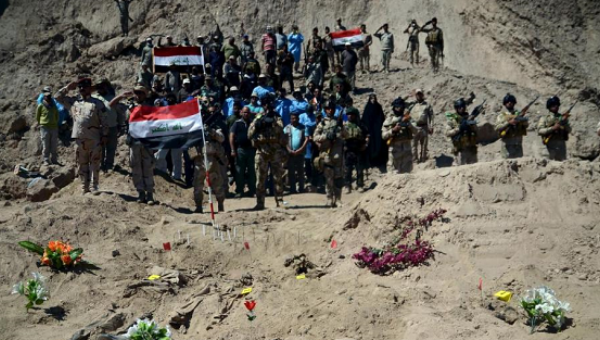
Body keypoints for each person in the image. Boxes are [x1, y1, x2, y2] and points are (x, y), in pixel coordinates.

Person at [55, 77, 109, 194]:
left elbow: (104, 121)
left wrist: (105, 135)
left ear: (90, 88)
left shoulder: (98, 103)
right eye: (80, 87)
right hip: (79, 139)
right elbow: (57, 97)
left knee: (95, 163)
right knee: (81, 164)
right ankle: (85, 187)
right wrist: (68, 87)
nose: (81, 89)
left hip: (94, 139)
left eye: (84, 87)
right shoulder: (73, 102)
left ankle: (95, 187)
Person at [109, 86, 156, 204]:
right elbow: (111, 105)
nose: (139, 95)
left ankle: (149, 194)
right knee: (136, 167)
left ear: (145, 94)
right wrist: (122, 96)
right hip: (134, 141)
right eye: (137, 93)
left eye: (141, 93)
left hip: (147, 141)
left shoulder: (150, 106)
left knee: (148, 167)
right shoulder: (129, 106)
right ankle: (141, 192)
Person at [248, 95, 287, 210]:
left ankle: (279, 201)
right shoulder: (259, 117)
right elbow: (249, 134)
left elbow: (281, 130)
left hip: (275, 151)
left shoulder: (276, 117)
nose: (267, 106)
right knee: (260, 179)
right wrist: (258, 124)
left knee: (277, 177)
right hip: (261, 151)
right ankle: (260, 203)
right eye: (265, 104)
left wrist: (272, 123)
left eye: (269, 104)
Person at [191, 104, 227, 213]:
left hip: (211, 158)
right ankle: (198, 206)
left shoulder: (213, 125)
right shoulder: (194, 127)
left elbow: (221, 138)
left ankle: (220, 203)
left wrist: (211, 131)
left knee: (216, 182)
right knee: (198, 183)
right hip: (199, 158)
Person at [314, 100, 347, 207]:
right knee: (328, 178)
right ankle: (329, 199)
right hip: (326, 154)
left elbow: (346, 136)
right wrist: (325, 137)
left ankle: (338, 199)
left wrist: (342, 127)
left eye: (331, 108)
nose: (330, 110)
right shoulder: (322, 123)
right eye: (328, 108)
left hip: (337, 154)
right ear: (325, 110)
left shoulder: (338, 122)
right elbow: (315, 137)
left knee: (338, 178)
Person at [382, 98, 417, 173]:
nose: (398, 109)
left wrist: (409, 125)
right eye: (397, 107)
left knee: (407, 174)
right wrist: (393, 130)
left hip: (406, 152)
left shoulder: (408, 118)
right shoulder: (389, 119)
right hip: (394, 152)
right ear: (394, 108)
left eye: (400, 107)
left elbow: (416, 131)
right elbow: (383, 135)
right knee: (393, 174)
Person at [93, 80, 120, 172]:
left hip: (112, 126)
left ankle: (109, 165)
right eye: (99, 86)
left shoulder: (112, 97)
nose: (101, 88)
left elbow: (118, 112)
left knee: (111, 147)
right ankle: (100, 166)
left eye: (103, 86)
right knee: (100, 148)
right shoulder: (94, 98)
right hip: (99, 127)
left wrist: (119, 123)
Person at [230, 106, 256, 198]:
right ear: (241, 113)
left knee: (252, 171)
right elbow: (232, 137)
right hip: (240, 150)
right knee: (239, 171)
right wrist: (233, 150)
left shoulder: (252, 123)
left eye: (247, 112)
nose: (246, 114)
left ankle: (252, 190)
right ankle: (239, 190)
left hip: (251, 149)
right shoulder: (237, 123)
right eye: (244, 112)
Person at [495, 93, 530, 159]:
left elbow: (526, 125)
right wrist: (508, 123)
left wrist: (521, 119)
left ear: (514, 103)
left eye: (511, 101)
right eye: (507, 101)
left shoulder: (518, 114)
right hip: (507, 147)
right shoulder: (501, 116)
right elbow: (497, 127)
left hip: (518, 146)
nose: (509, 102)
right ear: (505, 103)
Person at [537, 96, 572, 161]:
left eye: (557, 105)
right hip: (549, 145)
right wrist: (553, 128)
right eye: (553, 105)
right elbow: (540, 131)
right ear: (549, 106)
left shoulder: (562, 117)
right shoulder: (544, 118)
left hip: (561, 145)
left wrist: (565, 123)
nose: (556, 106)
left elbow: (569, 130)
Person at [445, 98, 479, 165]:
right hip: (460, 151)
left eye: (463, 107)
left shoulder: (468, 117)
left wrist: (471, 125)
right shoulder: (453, 119)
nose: (461, 109)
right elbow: (447, 133)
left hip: (471, 149)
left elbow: (476, 130)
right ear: (456, 108)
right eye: (459, 107)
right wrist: (459, 128)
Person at [344, 107, 369, 193]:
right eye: (348, 114)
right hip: (348, 150)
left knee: (359, 168)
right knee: (348, 169)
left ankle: (360, 185)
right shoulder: (345, 125)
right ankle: (347, 186)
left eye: (352, 114)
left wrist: (365, 144)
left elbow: (367, 135)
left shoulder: (360, 125)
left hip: (358, 149)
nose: (350, 116)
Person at [285, 112, 309, 193]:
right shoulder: (287, 128)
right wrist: (288, 149)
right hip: (290, 153)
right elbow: (283, 139)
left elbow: (306, 139)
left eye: (295, 118)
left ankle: (301, 188)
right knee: (291, 172)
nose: (294, 120)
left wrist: (300, 149)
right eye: (292, 118)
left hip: (300, 153)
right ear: (290, 119)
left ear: (298, 119)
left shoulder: (303, 127)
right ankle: (292, 189)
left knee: (300, 171)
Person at [408, 89, 434, 163]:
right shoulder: (412, 105)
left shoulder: (427, 105)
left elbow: (431, 116)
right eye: (417, 94)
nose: (419, 95)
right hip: (414, 127)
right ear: (415, 95)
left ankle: (423, 161)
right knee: (413, 145)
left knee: (424, 146)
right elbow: (406, 113)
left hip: (424, 127)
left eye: (420, 94)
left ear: (422, 95)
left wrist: (431, 126)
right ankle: (415, 162)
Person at [361, 94, 387, 169]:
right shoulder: (367, 107)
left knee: (379, 144)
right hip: (370, 130)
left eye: (374, 98)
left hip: (378, 129)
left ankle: (379, 162)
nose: (373, 100)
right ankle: (371, 162)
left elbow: (381, 118)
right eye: (371, 98)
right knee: (370, 145)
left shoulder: (378, 107)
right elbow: (365, 119)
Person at [36, 87, 60, 165]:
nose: (48, 97)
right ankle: (46, 159)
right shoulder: (41, 105)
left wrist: (54, 123)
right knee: (46, 145)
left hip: (53, 127)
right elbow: (38, 116)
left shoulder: (54, 105)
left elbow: (57, 115)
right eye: (46, 96)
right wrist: (41, 123)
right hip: (44, 127)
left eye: (49, 96)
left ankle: (54, 160)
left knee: (54, 145)